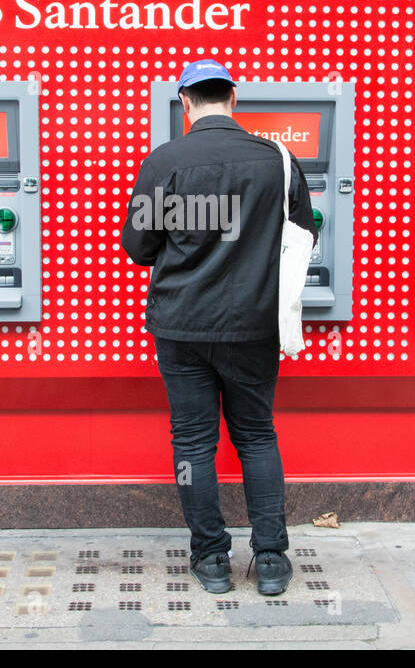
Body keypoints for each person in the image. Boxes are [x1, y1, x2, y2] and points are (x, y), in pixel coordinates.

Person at [120, 59, 317, 595]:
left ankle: (210, 559)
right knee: (256, 434)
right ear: (233, 97)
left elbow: (137, 247)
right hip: (254, 327)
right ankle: (272, 559)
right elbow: (303, 235)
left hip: (180, 327)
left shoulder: (165, 162)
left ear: (184, 103)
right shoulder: (277, 160)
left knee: (193, 441)